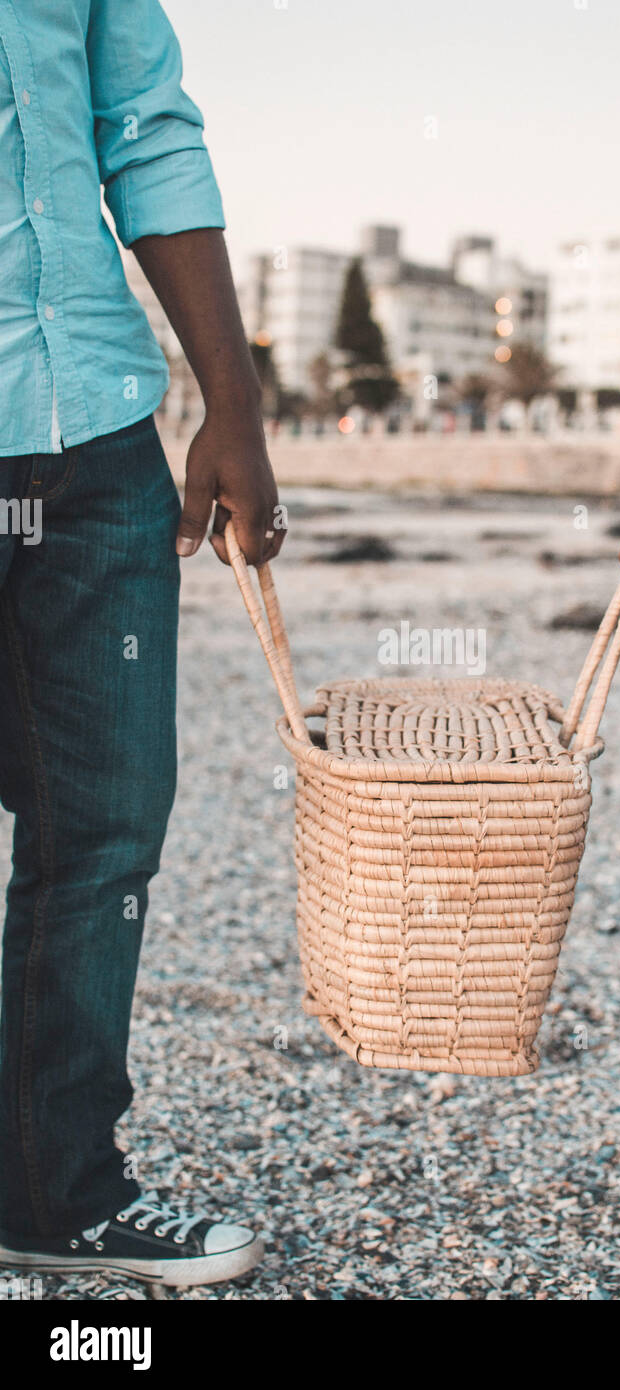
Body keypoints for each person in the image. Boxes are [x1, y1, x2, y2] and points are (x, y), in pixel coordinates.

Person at [0, 1, 283, 1287]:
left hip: (97, 427)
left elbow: (147, 134)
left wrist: (235, 403)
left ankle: (56, 1194)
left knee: (104, 830)